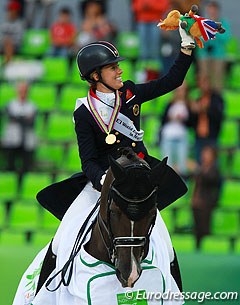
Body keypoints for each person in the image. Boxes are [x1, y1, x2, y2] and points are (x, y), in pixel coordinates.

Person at [13, 25, 196, 303]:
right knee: (63, 237)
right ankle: (42, 293)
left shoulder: (131, 94)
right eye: (113, 68)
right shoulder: (84, 111)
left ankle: (176, 295)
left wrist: (186, 49)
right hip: (101, 181)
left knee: (166, 244)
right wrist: (104, 182)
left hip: (137, 179)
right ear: (96, 76)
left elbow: (171, 81)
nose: (120, 71)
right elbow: (88, 160)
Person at [1, 81, 38, 172]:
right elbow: (10, 116)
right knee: (10, 166)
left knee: (26, 167)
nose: (23, 93)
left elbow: (30, 122)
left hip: (26, 141)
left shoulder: (32, 106)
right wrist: (23, 118)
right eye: (21, 91)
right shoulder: (10, 104)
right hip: (12, 139)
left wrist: (17, 118)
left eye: (25, 91)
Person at [191, 145, 222, 249]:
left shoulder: (214, 170)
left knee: (205, 227)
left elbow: (211, 181)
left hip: (206, 203)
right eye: (203, 153)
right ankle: (197, 246)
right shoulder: (201, 168)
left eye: (207, 154)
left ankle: (205, 246)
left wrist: (198, 169)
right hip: (196, 202)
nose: (204, 156)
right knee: (196, 227)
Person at [196, 1, 231, 92]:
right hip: (204, 55)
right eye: (210, 10)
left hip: (218, 55)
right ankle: (204, 99)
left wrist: (215, 29)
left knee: (217, 79)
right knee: (204, 78)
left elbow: (226, 38)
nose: (212, 12)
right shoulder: (202, 22)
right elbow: (199, 38)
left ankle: (216, 101)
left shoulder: (223, 23)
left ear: (217, 11)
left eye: (214, 10)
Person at [190, 74, 224, 164]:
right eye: (201, 83)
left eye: (205, 82)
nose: (203, 85)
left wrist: (205, 109)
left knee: (212, 166)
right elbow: (190, 122)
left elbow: (219, 116)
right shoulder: (198, 99)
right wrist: (192, 111)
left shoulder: (217, 99)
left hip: (211, 137)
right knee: (199, 165)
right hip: (199, 137)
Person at [160, 81, 191, 175]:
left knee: (182, 167)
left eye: (183, 90)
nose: (180, 92)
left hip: (182, 136)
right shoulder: (169, 103)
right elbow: (163, 119)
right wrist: (171, 118)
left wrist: (183, 119)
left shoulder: (189, 104)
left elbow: (191, 122)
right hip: (168, 136)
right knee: (167, 165)